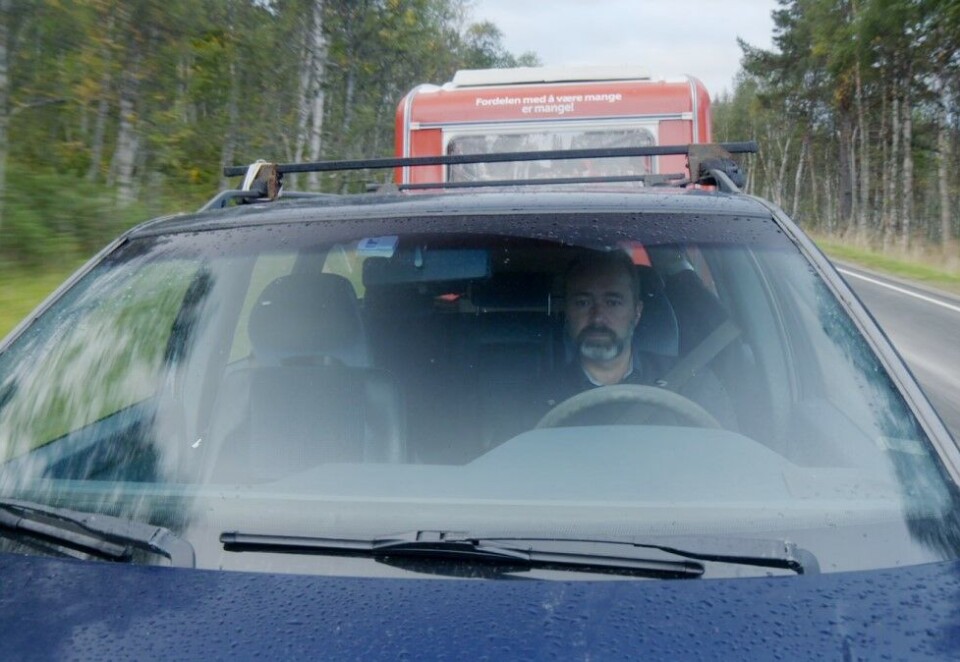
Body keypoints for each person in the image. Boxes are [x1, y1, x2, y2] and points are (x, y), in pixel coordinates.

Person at [538, 249, 735, 428]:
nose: (597, 316)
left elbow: (724, 461)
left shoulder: (692, 385)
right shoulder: (536, 398)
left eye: (613, 302)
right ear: (567, 313)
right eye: (582, 302)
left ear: (637, 313)